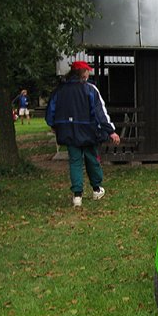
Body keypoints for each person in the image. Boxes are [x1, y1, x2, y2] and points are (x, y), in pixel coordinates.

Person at [46, 61, 121, 207]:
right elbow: (100, 112)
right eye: (87, 70)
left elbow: (51, 111)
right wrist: (110, 131)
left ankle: (77, 195)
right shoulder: (90, 89)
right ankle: (96, 189)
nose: (89, 73)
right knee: (92, 159)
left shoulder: (59, 90)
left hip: (68, 131)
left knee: (75, 162)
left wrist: (54, 126)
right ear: (83, 73)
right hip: (88, 132)